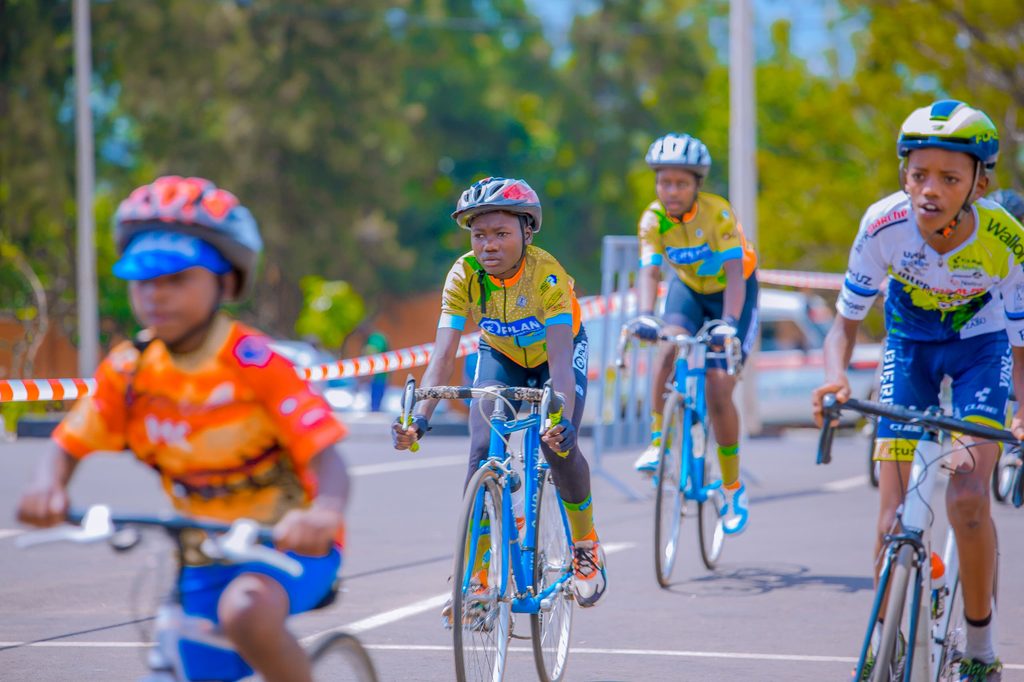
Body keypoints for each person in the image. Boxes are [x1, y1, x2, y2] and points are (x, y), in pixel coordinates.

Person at [16, 176, 350, 682]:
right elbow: (68, 442)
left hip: (287, 547)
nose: (157, 295)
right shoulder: (129, 370)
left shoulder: (255, 363)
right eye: (144, 281)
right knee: (198, 665)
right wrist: (48, 486)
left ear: (228, 281)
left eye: (177, 278)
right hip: (200, 552)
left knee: (245, 610)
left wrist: (323, 512)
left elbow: (327, 456)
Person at [812, 100, 1024, 681]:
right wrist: (834, 378)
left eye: (949, 178)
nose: (929, 190)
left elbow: (1020, 345)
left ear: (979, 183)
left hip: (982, 349)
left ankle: (981, 647)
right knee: (890, 518)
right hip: (908, 349)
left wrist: (1023, 413)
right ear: (903, 173)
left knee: (966, 498)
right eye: (918, 175)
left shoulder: (1007, 240)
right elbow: (844, 326)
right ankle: (888, 641)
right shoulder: (882, 224)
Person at [391, 176, 607, 610]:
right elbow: (443, 356)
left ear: (527, 232)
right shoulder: (464, 274)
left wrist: (559, 417)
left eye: (501, 234)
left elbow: (562, 365)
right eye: (479, 235)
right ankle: (480, 568)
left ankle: (586, 545)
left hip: (556, 357)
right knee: (480, 450)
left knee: (557, 447)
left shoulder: (547, 275)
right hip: (500, 354)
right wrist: (419, 418)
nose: (488, 245)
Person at [627, 132, 759, 536]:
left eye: (681, 183)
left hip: (733, 294)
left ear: (697, 185)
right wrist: (646, 315)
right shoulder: (652, 219)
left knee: (720, 389)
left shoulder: (717, 214)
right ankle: (657, 440)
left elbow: (735, 275)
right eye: (664, 182)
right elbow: (650, 271)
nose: (672, 191)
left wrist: (729, 325)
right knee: (667, 348)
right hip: (688, 290)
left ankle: (734, 487)